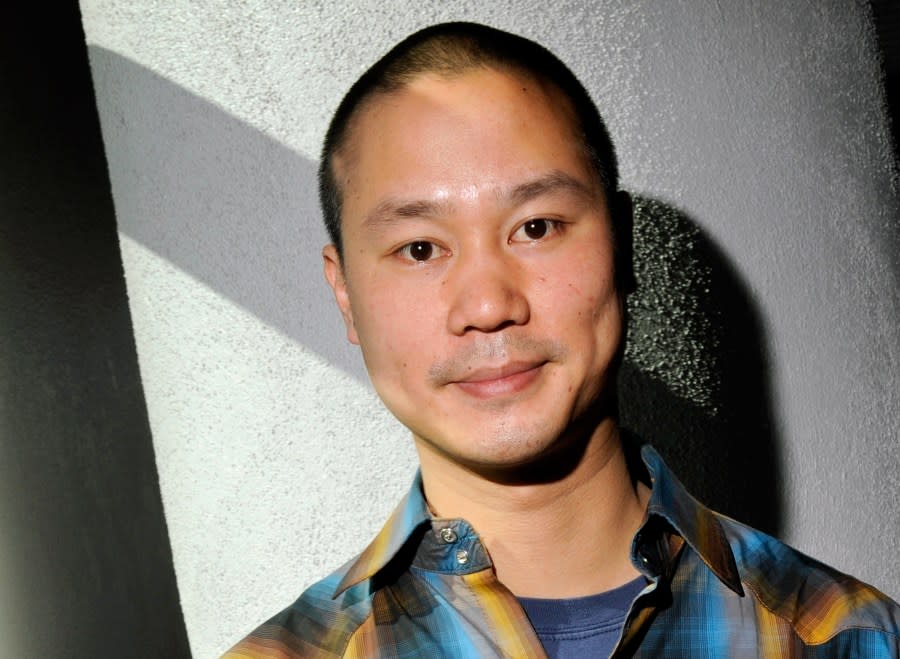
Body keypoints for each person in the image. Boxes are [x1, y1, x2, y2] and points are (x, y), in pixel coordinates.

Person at [225, 22, 900, 658]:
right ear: (345, 293)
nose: (488, 305)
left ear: (622, 244)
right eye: (421, 247)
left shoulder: (849, 639)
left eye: (538, 227)